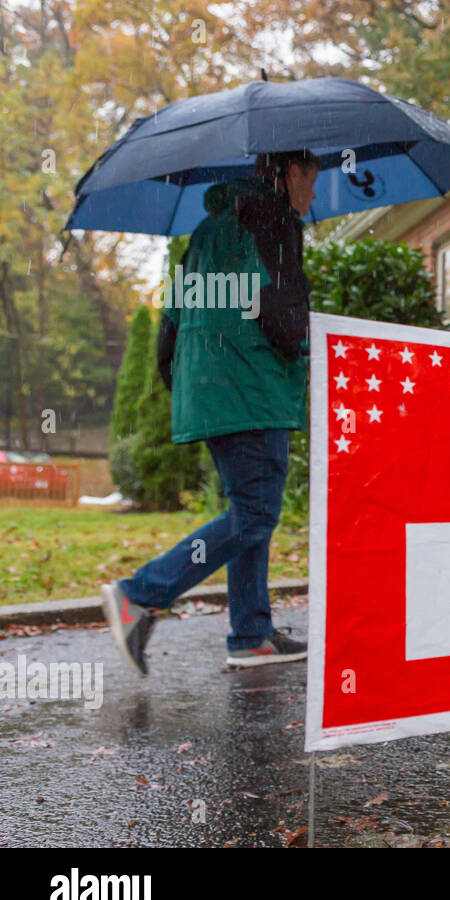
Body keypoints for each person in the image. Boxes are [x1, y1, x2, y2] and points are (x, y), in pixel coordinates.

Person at [100, 149, 320, 674]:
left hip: (211, 392)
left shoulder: (204, 233)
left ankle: (250, 633)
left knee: (249, 513)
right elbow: (285, 323)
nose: (312, 197)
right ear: (290, 175)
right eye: (311, 181)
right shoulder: (273, 221)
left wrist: (192, 388)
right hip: (253, 390)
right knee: (258, 512)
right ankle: (140, 594)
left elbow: (168, 329)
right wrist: (310, 338)